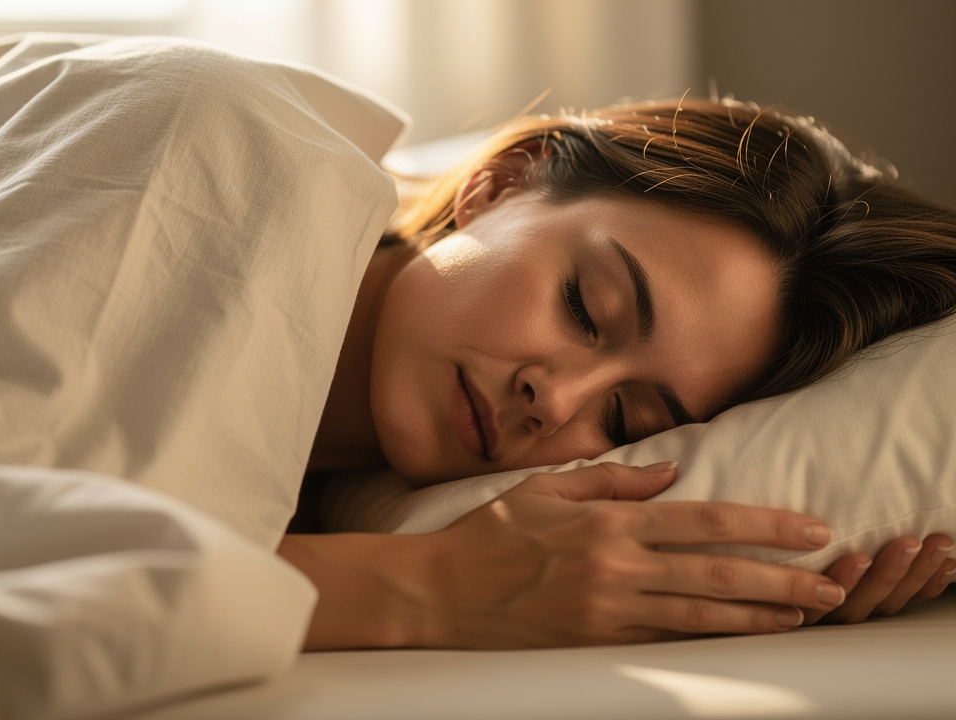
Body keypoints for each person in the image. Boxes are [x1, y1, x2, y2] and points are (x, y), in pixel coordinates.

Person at [281, 96, 956, 650]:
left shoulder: (309, 487)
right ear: (502, 182)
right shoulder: (220, 158)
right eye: (584, 306)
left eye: (623, 420)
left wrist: (809, 582)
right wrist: (429, 584)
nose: (554, 400)